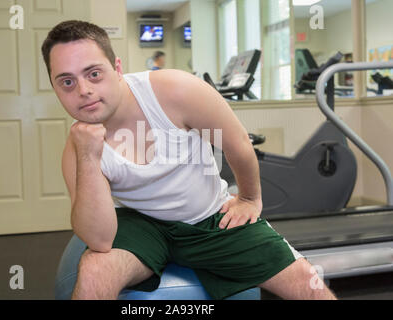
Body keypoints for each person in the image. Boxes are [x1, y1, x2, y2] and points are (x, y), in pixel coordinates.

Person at [41, 20, 337, 300]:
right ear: (55, 90)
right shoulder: (76, 149)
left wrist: (248, 198)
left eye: (94, 74)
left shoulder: (174, 91)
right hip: (139, 224)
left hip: (209, 218)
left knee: (307, 283)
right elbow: (100, 240)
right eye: (67, 82)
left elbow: (237, 143)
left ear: (117, 68)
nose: (84, 91)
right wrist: (89, 157)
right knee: (95, 268)